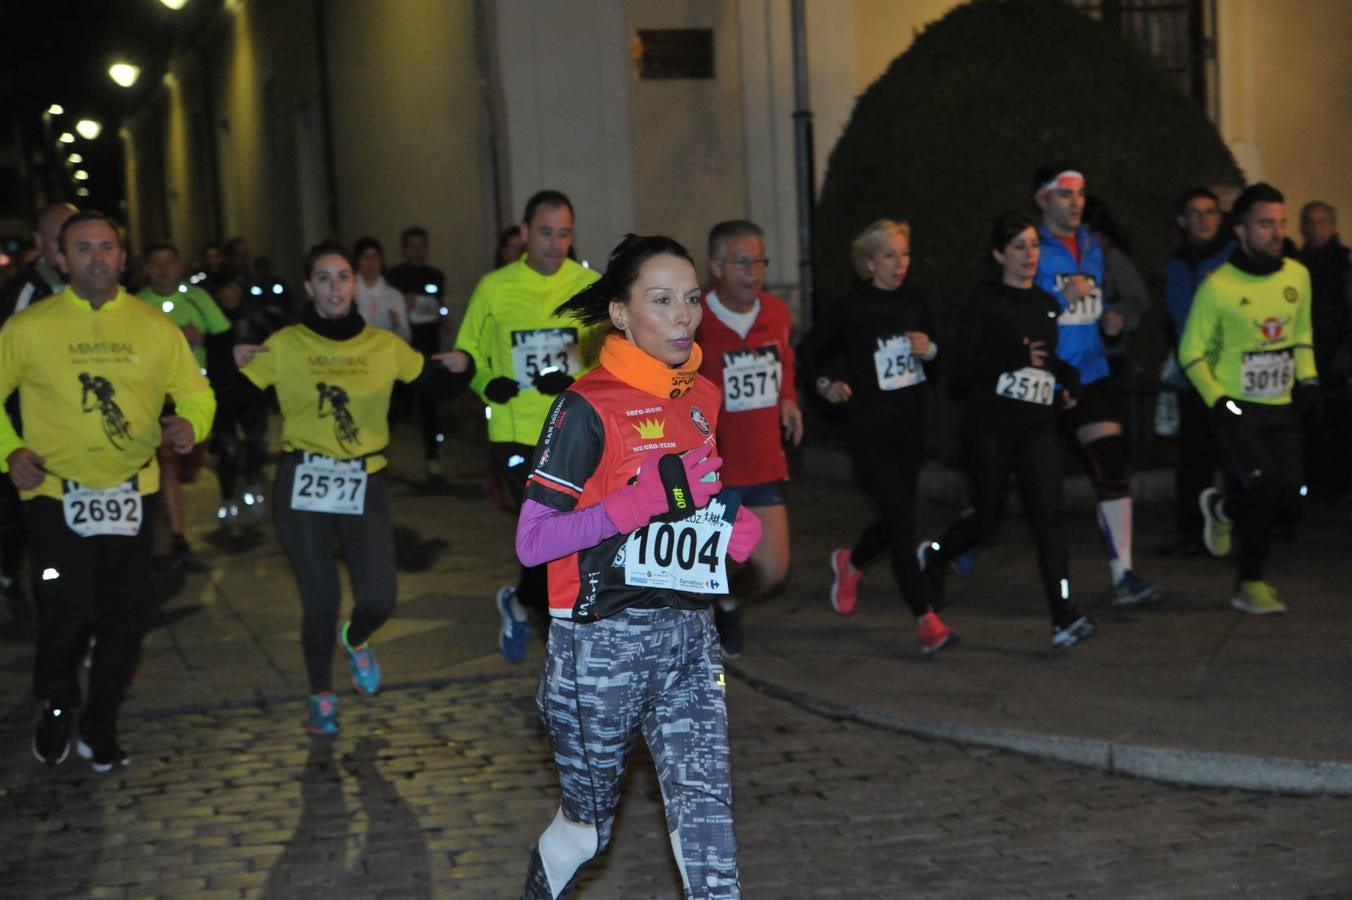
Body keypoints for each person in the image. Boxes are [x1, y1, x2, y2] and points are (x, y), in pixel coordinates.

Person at [515, 233, 760, 899]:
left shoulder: (703, 397)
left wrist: (728, 526)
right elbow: (533, 544)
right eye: (661, 301)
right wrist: (630, 506)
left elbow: (693, 501)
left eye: (689, 300)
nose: (683, 316)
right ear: (620, 314)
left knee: (711, 834)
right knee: (588, 832)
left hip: (688, 641)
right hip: (598, 648)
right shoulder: (583, 407)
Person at [0, 210, 215, 771]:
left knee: (125, 616)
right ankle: (57, 701)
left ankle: (101, 721)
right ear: (62, 259)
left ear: (124, 258)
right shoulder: (28, 328)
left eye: (108, 246)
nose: (97, 256)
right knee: (65, 608)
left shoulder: (153, 326)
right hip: (53, 494)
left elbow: (196, 393)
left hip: (132, 494)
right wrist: (11, 451)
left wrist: (191, 425)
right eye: (84, 248)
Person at [233, 241, 469, 735]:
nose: (335, 287)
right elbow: (231, 395)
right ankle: (321, 693)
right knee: (319, 600)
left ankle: (355, 638)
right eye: (324, 278)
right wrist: (231, 358)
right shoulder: (286, 344)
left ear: (354, 285)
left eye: (342, 277)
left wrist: (465, 363)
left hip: (363, 482)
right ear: (308, 286)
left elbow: (437, 384)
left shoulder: (382, 347)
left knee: (380, 598)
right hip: (303, 482)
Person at [917, 212, 1096, 647]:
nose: (1028, 255)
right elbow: (959, 372)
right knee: (988, 518)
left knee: (1048, 520)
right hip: (990, 427)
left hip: (1036, 427)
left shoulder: (1045, 305)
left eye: (1033, 245)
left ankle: (1063, 614)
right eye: (1018, 246)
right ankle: (936, 557)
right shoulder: (983, 300)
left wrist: (1066, 379)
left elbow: (1044, 361)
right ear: (999, 254)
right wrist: (1002, 357)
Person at [444, 190, 600, 663]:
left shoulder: (591, 286)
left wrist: (574, 379)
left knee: (563, 532)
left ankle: (522, 601)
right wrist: (490, 383)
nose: (555, 243)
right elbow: (468, 353)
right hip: (516, 432)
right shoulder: (495, 287)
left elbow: (610, 361)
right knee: (551, 529)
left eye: (564, 233)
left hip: (573, 431)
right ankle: (558, 629)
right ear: (525, 233)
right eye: (545, 232)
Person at [803, 219, 955, 654]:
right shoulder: (852, 307)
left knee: (895, 519)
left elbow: (939, 360)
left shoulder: (916, 301)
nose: (899, 264)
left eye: (904, 254)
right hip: (869, 431)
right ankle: (926, 618)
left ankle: (850, 564)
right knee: (903, 524)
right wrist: (824, 384)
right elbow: (811, 350)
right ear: (869, 263)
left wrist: (932, 351)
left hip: (909, 429)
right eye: (889, 255)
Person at [1031, 163, 1163, 607]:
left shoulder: (1092, 247)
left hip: (1090, 374)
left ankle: (1122, 575)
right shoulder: (1026, 247)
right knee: (1007, 486)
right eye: (1066, 194)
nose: (1076, 203)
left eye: (1081, 194)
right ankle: (956, 544)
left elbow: (1096, 306)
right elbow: (1012, 314)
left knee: (1111, 465)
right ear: (1043, 200)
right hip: (1040, 380)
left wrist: (1112, 321)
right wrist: (1055, 304)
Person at [1181, 184, 1317, 613]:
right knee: (1259, 489)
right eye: (1265, 223)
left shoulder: (1297, 275)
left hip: (1282, 406)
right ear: (1240, 230)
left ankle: (1222, 509)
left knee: (1291, 498)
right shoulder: (1217, 287)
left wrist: (1309, 381)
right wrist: (1220, 402)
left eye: (1280, 222)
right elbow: (1191, 352)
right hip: (1237, 409)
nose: (1277, 232)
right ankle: (1250, 583)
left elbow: (1301, 334)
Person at [694, 220, 802, 656]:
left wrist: (788, 400)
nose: (753, 271)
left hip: (761, 458)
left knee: (774, 569)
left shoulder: (777, 314)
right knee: (715, 558)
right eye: (742, 262)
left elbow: (785, 365)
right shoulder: (695, 317)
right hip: (712, 464)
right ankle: (713, 611)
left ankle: (726, 599)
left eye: (760, 261)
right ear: (717, 266)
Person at [0, 203, 77, 621]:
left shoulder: (89, 290)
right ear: (40, 242)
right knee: (25, 520)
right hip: (28, 434)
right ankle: (18, 582)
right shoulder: (24, 294)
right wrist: (14, 442)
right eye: (60, 237)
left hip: (75, 433)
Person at [137, 241, 233, 568]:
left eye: (169, 262)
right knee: (168, 466)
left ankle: (170, 523)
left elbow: (225, 338)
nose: (163, 269)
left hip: (195, 401)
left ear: (179, 267)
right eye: (156, 262)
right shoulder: (136, 305)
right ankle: (177, 537)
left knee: (189, 470)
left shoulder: (198, 298)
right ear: (146, 268)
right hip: (156, 403)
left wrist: (200, 339)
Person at [1160, 188, 1233, 555]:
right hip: (1194, 380)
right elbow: (1177, 318)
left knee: (1239, 453)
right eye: (1195, 213)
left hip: (1233, 382)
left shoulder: (1235, 257)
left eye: (1210, 212)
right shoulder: (1177, 263)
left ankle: (1244, 526)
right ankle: (1193, 533)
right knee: (1194, 460)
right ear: (1182, 221)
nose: (1204, 219)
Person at [1296, 201, 1352, 503]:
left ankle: (1338, 483)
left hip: (1335, 352)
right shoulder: (1297, 261)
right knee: (1308, 421)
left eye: (1323, 221)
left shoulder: (1344, 261)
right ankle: (1313, 483)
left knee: (1337, 421)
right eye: (1312, 221)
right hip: (1307, 351)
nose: (1317, 227)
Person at [207, 275, 274, 521]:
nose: (231, 293)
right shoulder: (209, 318)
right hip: (221, 395)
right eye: (226, 287)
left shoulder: (254, 317)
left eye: (235, 287)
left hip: (252, 392)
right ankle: (227, 498)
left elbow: (271, 346)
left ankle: (252, 484)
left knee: (257, 443)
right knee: (229, 450)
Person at [387, 226, 450, 478]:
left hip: (429, 349)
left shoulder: (436, 275)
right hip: (403, 349)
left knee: (429, 405)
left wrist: (444, 317)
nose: (417, 250)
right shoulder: (394, 276)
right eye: (411, 245)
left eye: (421, 245)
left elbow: (440, 306)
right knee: (398, 404)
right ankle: (379, 449)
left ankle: (433, 458)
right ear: (403, 248)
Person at [1083, 197, 1149, 378]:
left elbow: (1139, 300)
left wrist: (1105, 315)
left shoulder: (1113, 260)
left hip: (1109, 353)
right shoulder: (1084, 263)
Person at [352, 237, 411, 341]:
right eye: (365, 257)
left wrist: (396, 325)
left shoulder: (394, 296)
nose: (371, 262)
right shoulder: (348, 293)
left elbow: (406, 337)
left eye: (375, 257)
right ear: (357, 262)